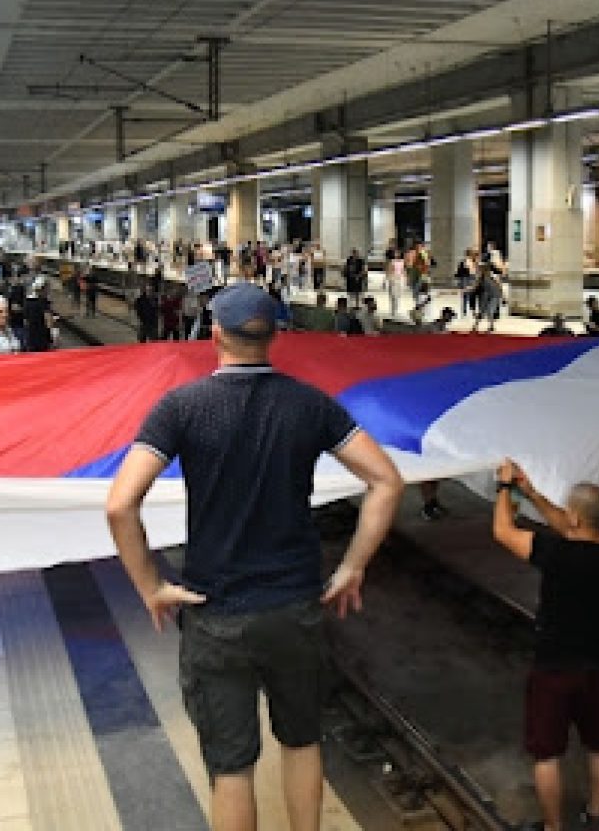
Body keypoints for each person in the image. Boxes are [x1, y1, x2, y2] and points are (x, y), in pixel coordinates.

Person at [105, 282, 404, 831]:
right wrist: (352, 565)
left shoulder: (181, 407)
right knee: (302, 741)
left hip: (215, 612)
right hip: (294, 606)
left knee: (232, 768)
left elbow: (121, 504)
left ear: (214, 333)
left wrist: (150, 585)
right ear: (274, 337)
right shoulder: (309, 404)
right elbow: (386, 480)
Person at [493, 460, 599, 831]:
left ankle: (553, 827)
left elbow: (503, 532)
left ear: (576, 520)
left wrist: (505, 488)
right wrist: (534, 494)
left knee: (547, 753)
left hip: (554, 667)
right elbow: (571, 527)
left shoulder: (556, 553)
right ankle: (596, 816)